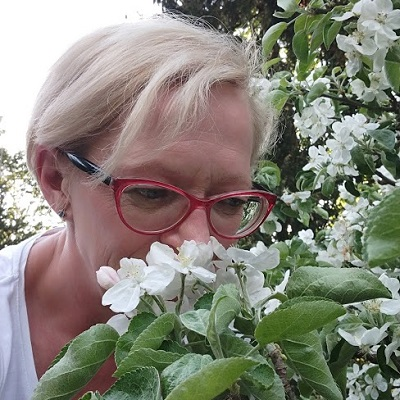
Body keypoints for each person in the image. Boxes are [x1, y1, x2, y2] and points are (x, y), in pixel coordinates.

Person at [0, 13, 277, 399]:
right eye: (152, 194)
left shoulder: (241, 344)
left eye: (231, 202)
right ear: (56, 179)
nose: (198, 244)